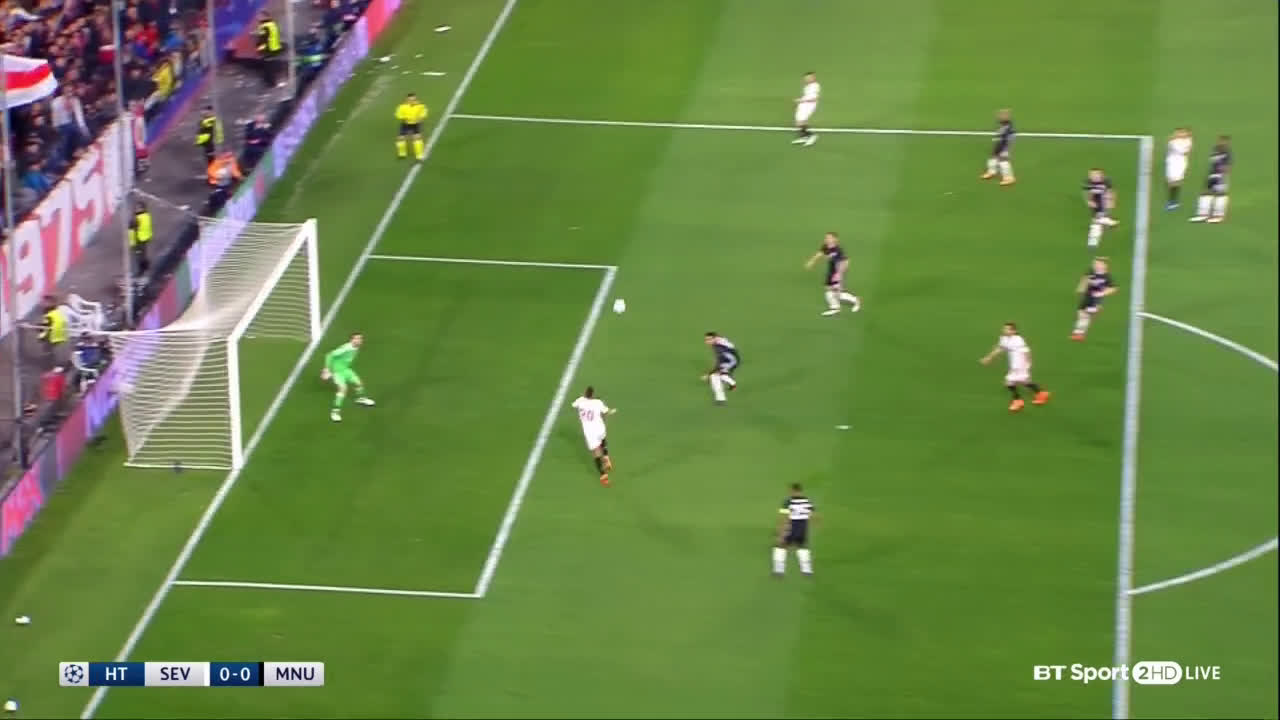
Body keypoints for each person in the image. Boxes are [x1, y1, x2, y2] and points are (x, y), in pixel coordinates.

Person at [979, 322, 1050, 413]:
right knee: (1021, 382)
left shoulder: (1018, 340)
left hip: (1020, 364)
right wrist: (988, 358)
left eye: (1007, 329)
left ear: (1014, 331)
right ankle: (1040, 393)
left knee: (1011, 382)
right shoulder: (1004, 339)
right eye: (1004, 328)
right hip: (1014, 364)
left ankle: (1019, 400)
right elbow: (999, 349)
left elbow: (1027, 351)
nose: (1004, 330)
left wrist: (1028, 363)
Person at [321, 333, 376, 422]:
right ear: (351, 340)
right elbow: (329, 355)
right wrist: (327, 369)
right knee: (343, 389)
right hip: (337, 372)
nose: (359, 340)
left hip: (346, 370)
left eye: (360, 339)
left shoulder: (356, 347)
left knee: (359, 383)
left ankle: (361, 399)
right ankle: (335, 412)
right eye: (356, 339)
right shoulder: (346, 348)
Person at [804, 232, 861, 316]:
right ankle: (835, 307)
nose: (826, 239)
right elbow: (819, 254)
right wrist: (811, 262)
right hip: (831, 272)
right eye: (826, 238)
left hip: (837, 273)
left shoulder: (838, 250)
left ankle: (855, 300)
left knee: (836, 292)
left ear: (835, 239)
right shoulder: (826, 246)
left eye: (829, 238)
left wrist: (840, 274)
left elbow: (846, 261)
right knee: (829, 290)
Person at [570, 386, 616, 486]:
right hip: (599, 428)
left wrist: (582, 400)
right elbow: (607, 412)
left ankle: (603, 475)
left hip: (589, 432)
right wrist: (611, 411)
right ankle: (606, 456)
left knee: (596, 453)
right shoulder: (598, 402)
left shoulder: (580, 401)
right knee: (602, 438)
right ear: (593, 394)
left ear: (585, 393)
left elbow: (573, 405)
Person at [773, 483, 816, 577]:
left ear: (793, 490)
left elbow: (784, 518)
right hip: (802, 528)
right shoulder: (807, 501)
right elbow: (812, 515)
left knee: (780, 547)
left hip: (790, 528)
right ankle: (807, 571)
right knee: (802, 547)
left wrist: (781, 532)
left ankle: (778, 571)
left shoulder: (788, 502)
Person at [1071, 257, 1118, 341]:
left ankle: (1079, 334)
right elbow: (1085, 279)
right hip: (1087, 296)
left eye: (1098, 264)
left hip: (1096, 299)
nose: (1095, 265)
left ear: (1104, 266)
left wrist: (1102, 293)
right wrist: (1081, 287)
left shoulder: (1107, 277)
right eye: (1095, 264)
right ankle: (1079, 332)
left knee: (1086, 315)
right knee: (1080, 313)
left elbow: (1114, 288)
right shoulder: (1091, 271)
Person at [1189, 135, 1231, 223]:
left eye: (1223, 141)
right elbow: (1212, 163)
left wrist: (1223, 176)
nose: (1221, 143)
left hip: (1220, 176)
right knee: (1205, 193)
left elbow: (1227, 167)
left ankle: (1218, 215)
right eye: (1220, 141)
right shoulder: (1215, 150)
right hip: (1212, 174)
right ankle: (1203, 214)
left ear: (1227, 143)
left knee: (1220, 194)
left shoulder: (1226, 153)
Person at [1082, 168, 1117, 249]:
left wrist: (1111, 201)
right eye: (1092, 175)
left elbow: (1110, 192)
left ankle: (1093, 241)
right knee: (1098, 221)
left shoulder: (1106, 182)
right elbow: (1087, 193)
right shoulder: (1088, 183)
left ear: (1101, 175)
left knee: (1097, 221)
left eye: (1096, 174)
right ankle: (1109, 222)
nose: (1094, 176)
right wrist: (1089, 201)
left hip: (1103, 204)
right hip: (1096, 205)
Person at [980, 108, 1016, 185]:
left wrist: (1000, 148)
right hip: (1000, 144)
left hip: (1004, 146)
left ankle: (1009, 178)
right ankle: (992, 172)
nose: (999, 117)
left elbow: (1006, 139)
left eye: (1001, 116)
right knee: (993, 158)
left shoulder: (1007, 128)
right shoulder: (1004, 126)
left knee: (1003, 161)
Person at [701, 332, 740, 405]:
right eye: (706, 339)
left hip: (730, 362)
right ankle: (732, 383)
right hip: (733, 358)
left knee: (714, 376)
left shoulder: (718, 348)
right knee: (720, 374)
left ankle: (721, 399)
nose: (707, 341)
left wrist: (708, 374)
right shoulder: (720, 341)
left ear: (715, 338)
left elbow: (718, 364)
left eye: (709, 339)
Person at [1164, 127, 1193, 210]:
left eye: (1181, 132)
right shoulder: (1175, 141)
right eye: (1178, 132)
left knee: (1175, 181)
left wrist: (1175, 138)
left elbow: (1185, 151)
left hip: (1179, 162)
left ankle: (1173, 201)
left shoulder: (1187, 142)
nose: (1179, 134)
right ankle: (1173, 200)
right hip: (1172, 161)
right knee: (1170, 181)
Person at [394, 93, 428, 160]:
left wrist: (420, 118)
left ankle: (419, 155)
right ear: (407, 100)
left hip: (416, 124)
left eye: (413, 100)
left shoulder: (420, 106)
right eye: (410, 100)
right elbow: (398, 114)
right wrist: (404, 118)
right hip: (406, 124)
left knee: (417, 138)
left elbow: (424, 112)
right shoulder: (402, 106)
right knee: (401, 138)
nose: (412, 101)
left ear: (416, 100)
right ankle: (402, 154)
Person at [256, 11, 284, 88]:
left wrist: (259, 50)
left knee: (268, 67)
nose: (258, 18)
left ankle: (270, 83)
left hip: (268, 49)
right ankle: (272, 80)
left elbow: (262, 40)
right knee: (272, 65)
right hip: (275, 47)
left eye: (259, 16)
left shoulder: (264, 26)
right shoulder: (272, 24)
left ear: (264, 16)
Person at [792, 71, 820, 146]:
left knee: (800, 122)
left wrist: (800, 100)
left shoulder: (815, 86)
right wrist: (800, 102)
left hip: (809, 105)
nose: (807, 79)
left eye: (809, 78)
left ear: (813, 78)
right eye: (806, 78)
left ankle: (812, 136)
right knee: (799, 122)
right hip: (804, 104)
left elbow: (814, 98)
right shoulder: (807, 86)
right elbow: (807, 96)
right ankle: (804, 137)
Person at [128, 201, 153, 277]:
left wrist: (132, 243)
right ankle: (146, 266)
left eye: (138, 208)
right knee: (143, 253)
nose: (136, 209)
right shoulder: (147, 215)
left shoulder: (136, 219)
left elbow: (131, 232)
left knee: (139, 255)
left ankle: (141, 271)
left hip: (139, 239)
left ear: (142, 209)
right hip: (146, 237)